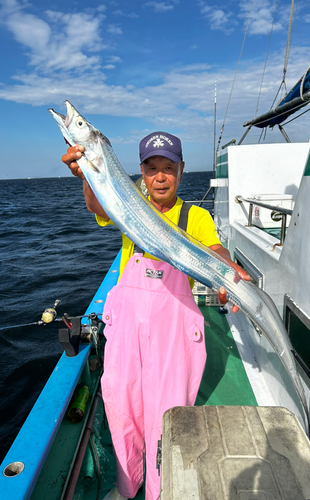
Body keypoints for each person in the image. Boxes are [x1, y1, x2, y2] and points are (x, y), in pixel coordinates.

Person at [62, 131, 250, 500]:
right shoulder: (130, 203)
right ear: (142, 173)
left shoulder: (194, 215)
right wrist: (87, 175)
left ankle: (162, 492)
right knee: (123, 406)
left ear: (181, 171)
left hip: (173, 332)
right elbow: (98, 208)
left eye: (168, 168)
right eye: (152, 169)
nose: (160, 176)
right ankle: (128, 486)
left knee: (168, 415)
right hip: (128, 328)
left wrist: (227, 270)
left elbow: (214, 246)